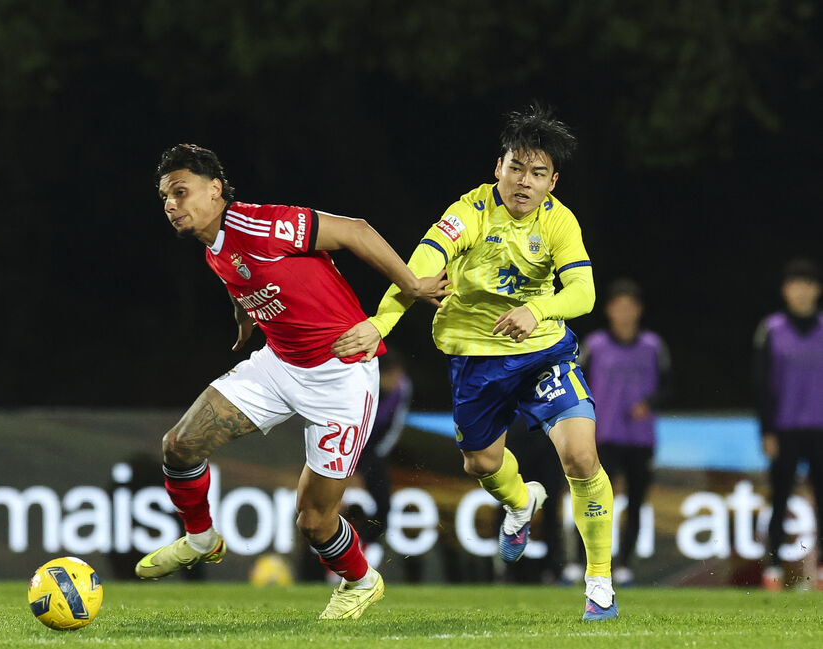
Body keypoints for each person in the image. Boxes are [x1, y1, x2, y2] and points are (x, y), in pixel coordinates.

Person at [134, 144, 449, 620]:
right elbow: (240, 278)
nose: (171, 205)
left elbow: (355, 232)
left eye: (180, 192)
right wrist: (244, 319)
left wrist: (411, 284)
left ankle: (362, 581)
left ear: (216, 189)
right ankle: (202, 538)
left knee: (314, 521)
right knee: (179, 445)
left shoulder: (261, 224)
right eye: (164, 198)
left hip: (341, 376)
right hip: (279, 365)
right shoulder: (213, 248)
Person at [333, 105, 618, 620]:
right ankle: (518, 503)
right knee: (481, 464)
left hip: (541, 352)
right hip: (475, 358)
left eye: (536, 173)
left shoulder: (559, 222)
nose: (523, 183)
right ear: (498, 167)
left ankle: (600, 583)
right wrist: (380, 324)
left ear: (553, 181)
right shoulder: (467, 213)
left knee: (580, 456)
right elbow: (417, 270)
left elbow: (583, 291)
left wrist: (537, 310)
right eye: (515, 168)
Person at [571, 278, 672, 587]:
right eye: (620, 307)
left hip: (640, 438)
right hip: (603, 437)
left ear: (638, 311)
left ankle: (625, 562)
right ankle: (580, 562)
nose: (625, 313)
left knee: (637, 502)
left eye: (631, 307)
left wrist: (650, 402)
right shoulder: (595, 346)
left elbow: (669, 387)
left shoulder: (653, 346)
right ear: (609, 310)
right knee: (594, 501)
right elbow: (574, 382)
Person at [754, 258, 823, 591]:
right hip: (785, 428)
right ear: (785, 291)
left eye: (808, 284)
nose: (801, 291)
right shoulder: (772, 330)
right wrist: (766, 430)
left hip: (820, 428)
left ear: (817, 290)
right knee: (779, 498)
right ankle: (774, 568)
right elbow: (761, 383)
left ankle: (821, 570)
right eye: (795, 285)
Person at [353, 350, 413, 562]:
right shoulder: (359, 383)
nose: (398, 381)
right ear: (380, 374)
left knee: (383, 506)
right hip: (345, 446)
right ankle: (330, 559)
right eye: (393, 377)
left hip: (373, 451)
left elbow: (394, 428)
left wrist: (372, 459)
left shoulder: (402, 388)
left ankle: (363, 551)